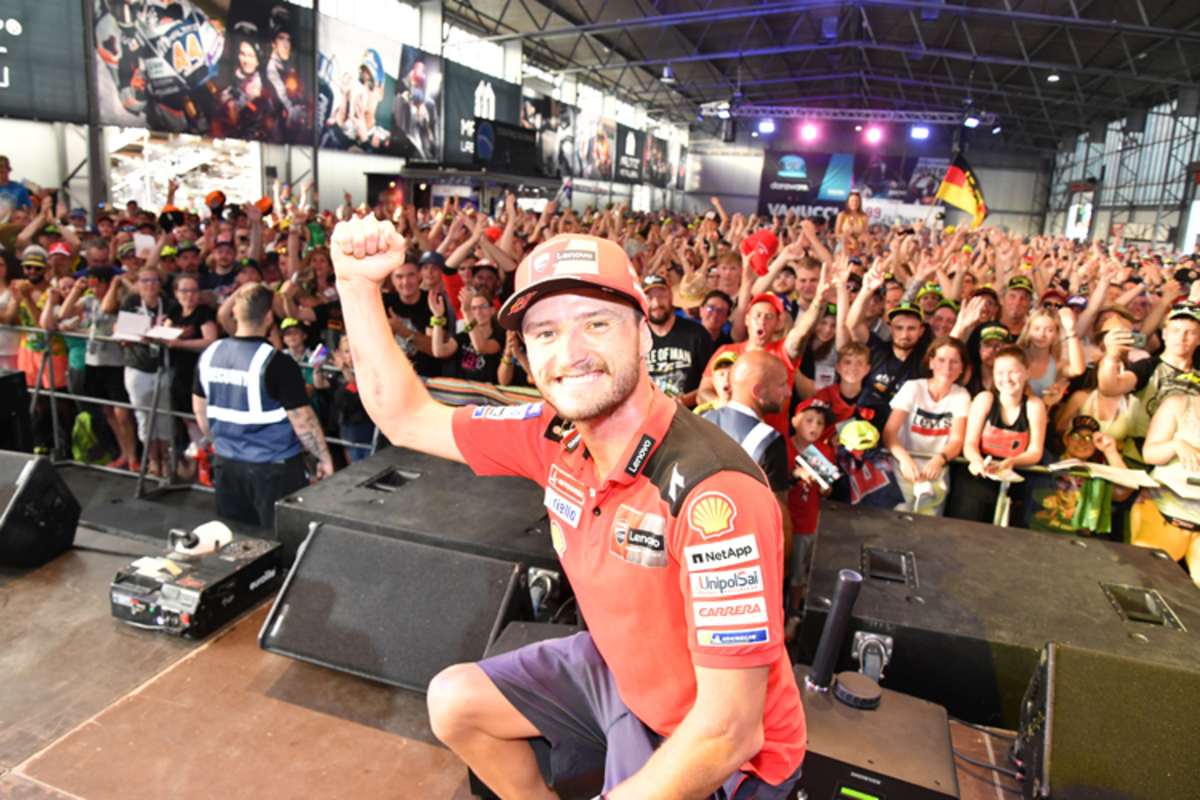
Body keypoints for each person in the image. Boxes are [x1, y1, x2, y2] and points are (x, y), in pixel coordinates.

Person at [330, 219, 804, 799]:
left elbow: (728, 731)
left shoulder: (714, 494)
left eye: (597, 324)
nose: (571, 353)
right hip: (620, 672)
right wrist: (354, 284)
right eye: (545, 333)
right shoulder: (550, 432)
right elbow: (405, 416)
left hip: (723, 747)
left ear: (644, 335)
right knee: (455, 703)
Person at [193, 284, 333, 528]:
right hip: (274, 470)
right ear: (269, 317)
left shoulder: (210, 354)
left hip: (227, 465)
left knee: (237, 542)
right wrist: (323, 458)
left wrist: (221, 443)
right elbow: (302, 420)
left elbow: (201, 413)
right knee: (282, 540)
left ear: (236, 313)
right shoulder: (278, 362)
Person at [949, 346, 1047, 524]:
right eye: (1000, 372)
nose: (1006, 379)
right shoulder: (984, 399)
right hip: (979, 475)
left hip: (1014, 476)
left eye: (1013, 372)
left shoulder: (1034, 405)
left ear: (1027, 373)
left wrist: (1012, 461)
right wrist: (976, 460)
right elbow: (969, 443)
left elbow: (1035, 452)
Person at [881, 336, 971, 515]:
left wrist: (939, 459)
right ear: (931, 363)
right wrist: (905, 459)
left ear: (961, 368)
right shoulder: (913, 388)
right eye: (941, 360)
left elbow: (957, 440)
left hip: (936, 473)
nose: (947, 367)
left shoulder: (962, 396)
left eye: (954, 362)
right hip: (903, 468)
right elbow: (889, 432)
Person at [643, 274, 713, 402]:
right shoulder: (637, 338)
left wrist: (685, 401)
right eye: (650, 298)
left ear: (671, 296)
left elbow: (713, 381)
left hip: (689, 417)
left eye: (662, 296)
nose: (656, 303)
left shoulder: (697, 334)